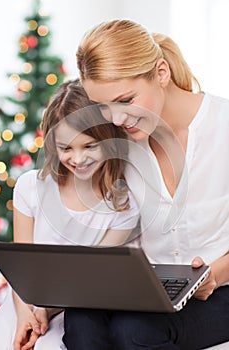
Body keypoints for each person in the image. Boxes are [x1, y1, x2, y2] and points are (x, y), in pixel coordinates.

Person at [62, 20, 229, 349]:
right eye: (104, 108)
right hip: (149, 289)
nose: (117, 119)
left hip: (220, 289)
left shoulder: (223, 127)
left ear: (161, 72)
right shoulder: (121, 144)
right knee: (80, 319)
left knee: (133, 330)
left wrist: (217, 273)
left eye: (126, 100)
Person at [0, 79, 140, 350]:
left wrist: (46, 312)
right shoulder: (31, 188)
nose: (78, 158)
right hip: (24, 304)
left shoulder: (122, 204)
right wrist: (26, 312)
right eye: (66, 148)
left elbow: (90, 282)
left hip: (76, 309)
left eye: (89, 146)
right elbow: (21, 270)